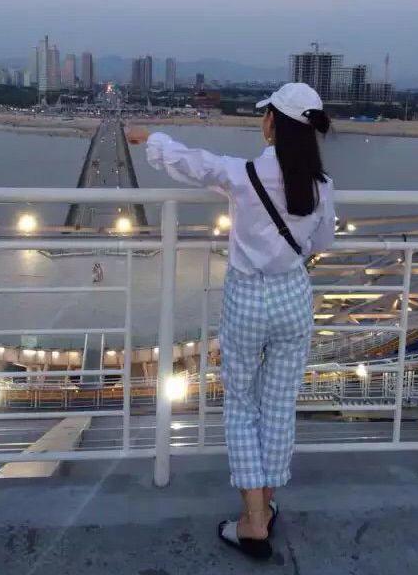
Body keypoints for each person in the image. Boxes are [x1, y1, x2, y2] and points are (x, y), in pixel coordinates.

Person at [126, 83, 335, 560]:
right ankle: (267, 504)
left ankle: (253, 520)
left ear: (272, 123)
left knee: (241, 405)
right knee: (278, 405)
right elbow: (322, 243)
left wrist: (150, 138)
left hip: (247, 300)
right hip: (293, 297)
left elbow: (192, 163)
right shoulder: (322, 186)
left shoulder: (243, 175)